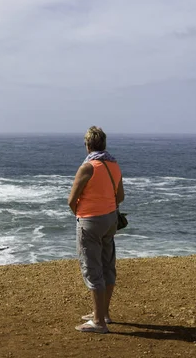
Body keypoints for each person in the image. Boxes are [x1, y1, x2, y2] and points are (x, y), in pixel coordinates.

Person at [68, 126, 124, 334]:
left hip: (91, 221)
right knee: (107, 266)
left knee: (93, 269)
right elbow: (120, 197)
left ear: (88, 145)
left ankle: (98, 321)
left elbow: (71, 200)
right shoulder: (113, 165)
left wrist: (80, 214)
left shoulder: (88, 167)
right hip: (110, 220)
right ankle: (104, 313)